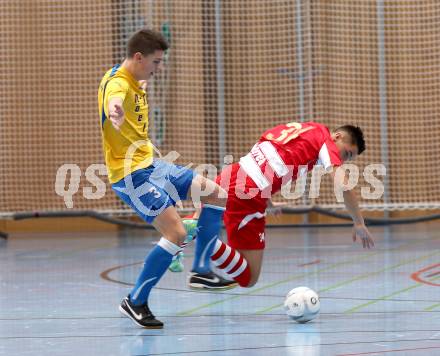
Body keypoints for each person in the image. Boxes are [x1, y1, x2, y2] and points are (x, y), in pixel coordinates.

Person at [98, 29, 235, 329]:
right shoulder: (118, 83)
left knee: (217, 194)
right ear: (138, 57)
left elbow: (129, 89)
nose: (159, 68)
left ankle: (200, 270)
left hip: (152, 164)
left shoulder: (132, 78)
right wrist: (114, 111)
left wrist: (139, 87)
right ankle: (135, 301)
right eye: (156, 62)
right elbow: (115, 99)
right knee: (176, 234)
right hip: (130, 175)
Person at [182, 121, 375, 290]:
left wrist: (268, 201)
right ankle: (196, 232)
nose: (343, 160)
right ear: (338, 136)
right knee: (248, 277)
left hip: (232, 174)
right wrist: (358, 222)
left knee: (239, 265)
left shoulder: (304, 129)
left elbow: (267, 154)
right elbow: (343, 185)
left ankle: (195, 249)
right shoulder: (325, 141)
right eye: (347, 153)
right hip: (249, 193)